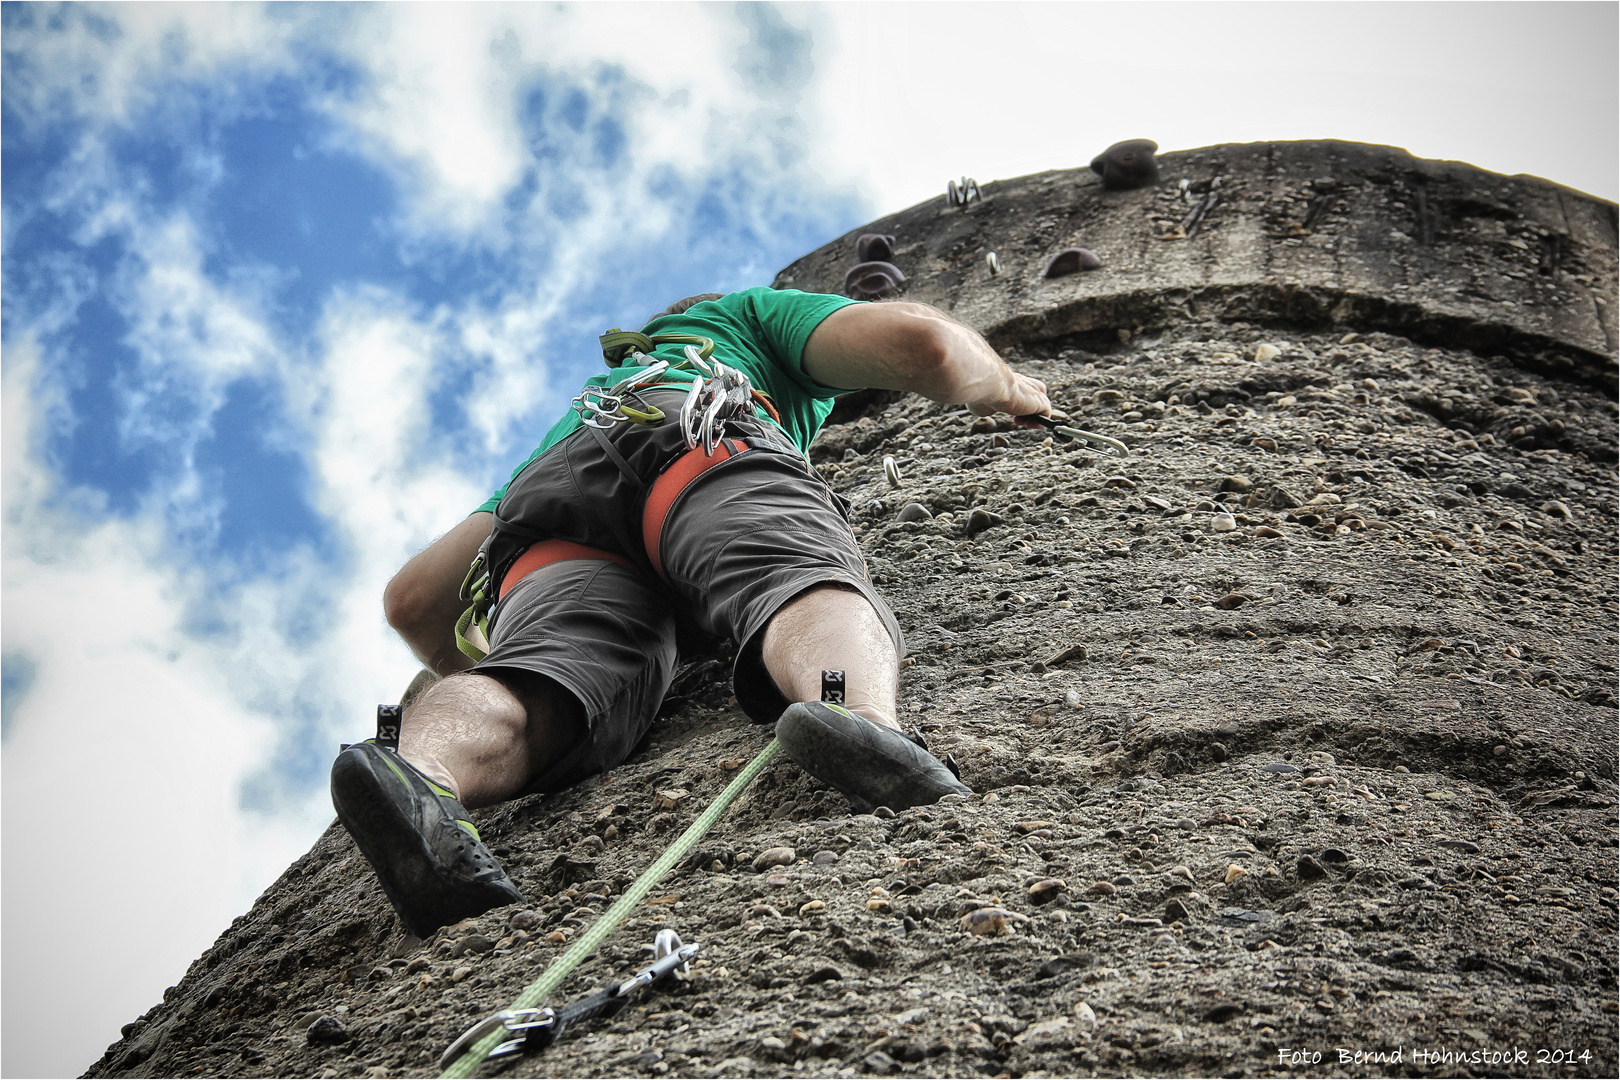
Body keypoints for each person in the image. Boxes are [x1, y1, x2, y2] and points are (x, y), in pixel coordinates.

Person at [329, 288, 1052, 937]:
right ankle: (857, 716)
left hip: (547, 521)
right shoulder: (745, 316)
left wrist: (488, 663)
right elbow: (921, 343)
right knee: (792, 575)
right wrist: (1009, 384)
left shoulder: (576, 418)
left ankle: (422, 770)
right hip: (701, 436)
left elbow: (413, 600)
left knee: (538, 675)